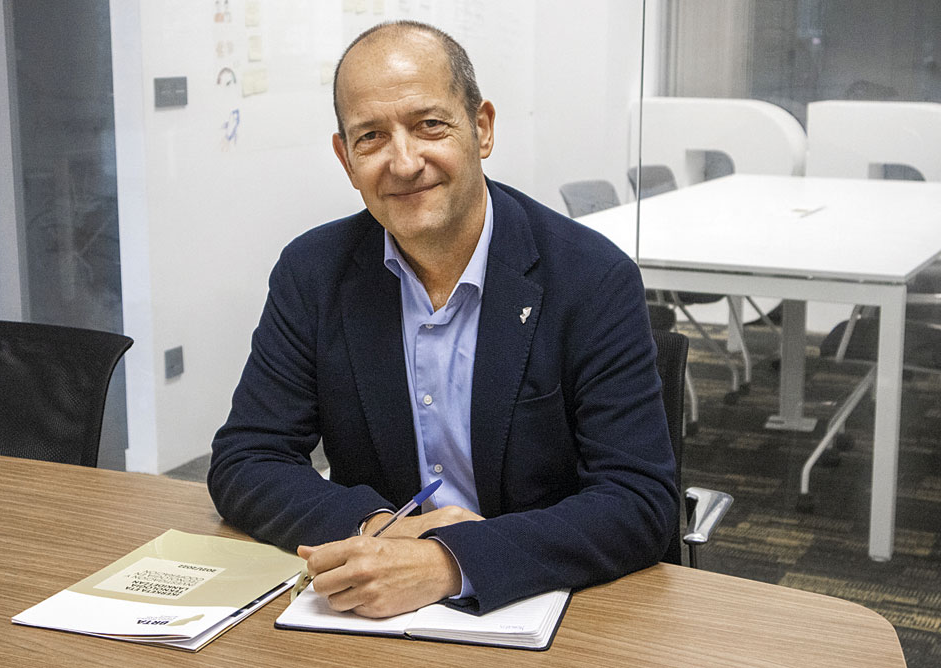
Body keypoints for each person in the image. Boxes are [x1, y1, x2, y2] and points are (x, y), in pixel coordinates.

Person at [208, 20, 676, 619]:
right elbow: (248, 459)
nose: (405, 163)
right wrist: (378, 528)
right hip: (374, 612)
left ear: (482, 129)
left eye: (430, 125)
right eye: (371, 137)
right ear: (346, 158)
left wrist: (450, 561)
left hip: (548, 608)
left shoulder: (590, 278)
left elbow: (638, 499)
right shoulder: (314, 273)